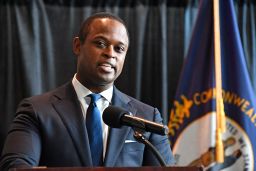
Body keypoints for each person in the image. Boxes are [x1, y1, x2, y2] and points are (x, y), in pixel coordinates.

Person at [0, 12, 175, 170]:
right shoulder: (37, 110)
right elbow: (16, 166)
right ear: (77, 46)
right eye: (100, 43)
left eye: (119, 49)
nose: (110, 53)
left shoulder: (146, 117)